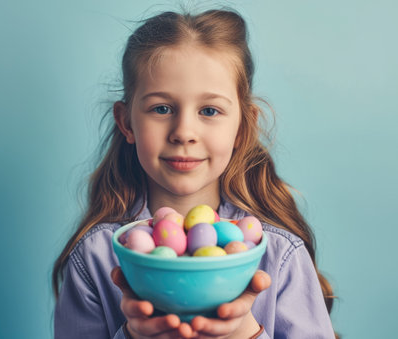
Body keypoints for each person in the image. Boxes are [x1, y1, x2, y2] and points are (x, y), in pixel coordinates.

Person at [52, 8, 337, 339]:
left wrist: (245, 334)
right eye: (162, 108)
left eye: (209, 111)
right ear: (127, 122)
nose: (184, 132)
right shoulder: (96, 258)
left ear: (242, 128)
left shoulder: (278, 256)